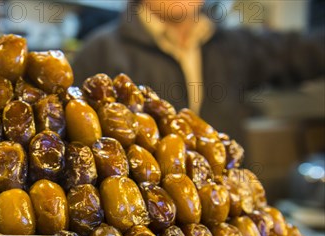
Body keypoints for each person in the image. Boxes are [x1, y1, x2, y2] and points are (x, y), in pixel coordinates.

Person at [71, 0, 325, 146]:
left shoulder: (235, 45)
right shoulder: (100, 51)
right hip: (144, 229)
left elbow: (303, 54)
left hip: (225, 214)